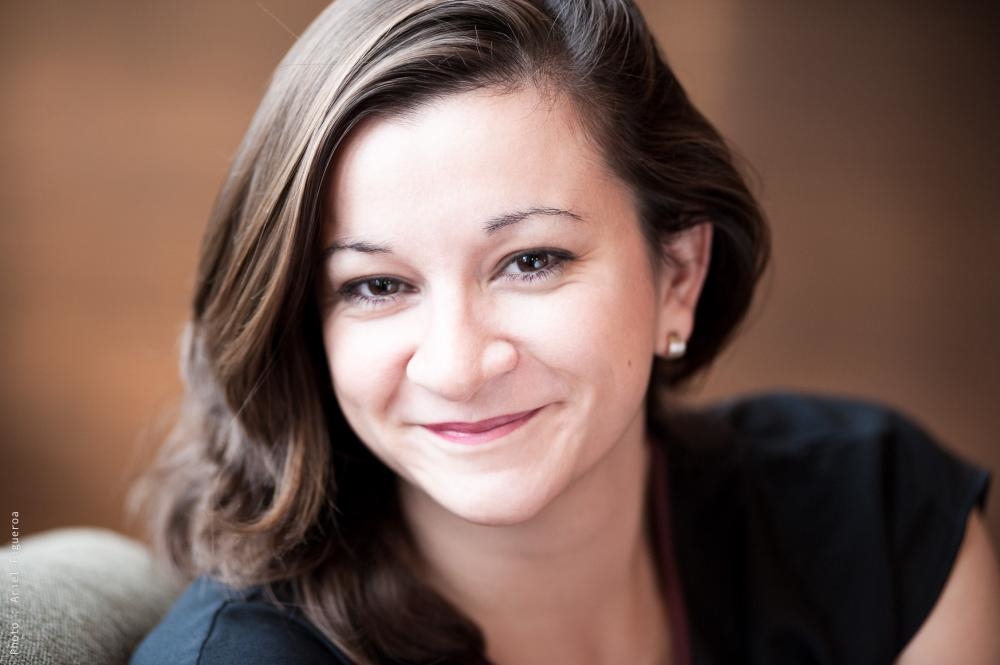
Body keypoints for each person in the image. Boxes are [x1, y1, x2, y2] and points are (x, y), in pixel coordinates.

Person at [128, 1, 1000, 664]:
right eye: (377, 285)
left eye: (531, 261)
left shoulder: (879, 526)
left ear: (678, 275)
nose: (459, 366)